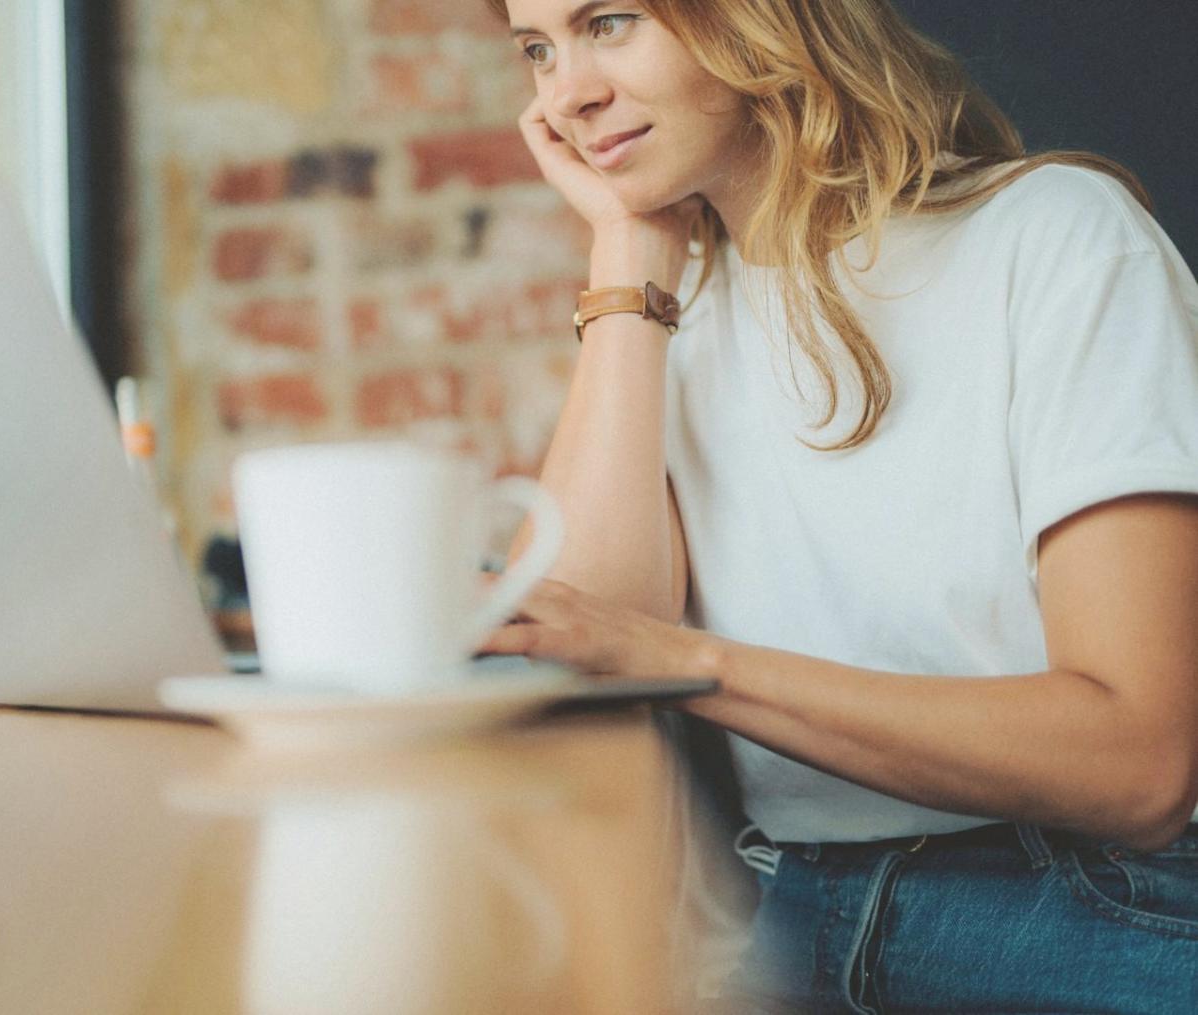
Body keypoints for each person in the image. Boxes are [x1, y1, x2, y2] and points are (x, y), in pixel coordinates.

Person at [477, 0, 1198, 1010]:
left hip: (1085, 913)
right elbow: (578, 645)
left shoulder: (1057, 242)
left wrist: (694, 662)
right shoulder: (663, 322)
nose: (566, 94)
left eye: (607, 23)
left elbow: (1136, 761)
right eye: (535, 50)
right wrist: (626, 259)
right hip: (795, 914)